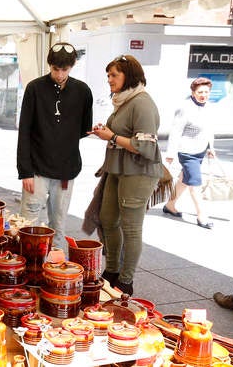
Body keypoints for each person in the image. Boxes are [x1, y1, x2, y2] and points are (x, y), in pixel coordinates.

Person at [88, 54, 162, 296]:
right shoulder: (123, 101)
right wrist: (106, 132)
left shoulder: (142, 103)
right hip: (118, 170)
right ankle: (111, 271)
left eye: (114, 75)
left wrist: (111, 136)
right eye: (108, 75)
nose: (109, 80)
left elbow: (146, 147)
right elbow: (121, 135)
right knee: (108, 219)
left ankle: (126, 280)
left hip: (137, 172)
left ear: (128, 76)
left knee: (131, 228)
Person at [16, 42, 93, 253]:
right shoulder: (34, 88)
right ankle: (26, 270)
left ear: (72, 66)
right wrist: (25, 172)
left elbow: (84, 129)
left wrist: (61, 138)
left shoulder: (83, 91)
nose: (59, 74)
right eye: (55, 69)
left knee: (58, 225)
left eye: (64, 69)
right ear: (49, 65)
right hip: (36, 169)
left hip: (66, 171)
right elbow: (24, 131)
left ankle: (55, 272)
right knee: (28, 224)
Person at [162, 77, 216, 229]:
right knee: (195, 184)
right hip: (187, 151)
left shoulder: (210, 107)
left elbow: (209, 128)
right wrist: (171, 154)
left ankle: (170, 205)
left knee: (184, 179)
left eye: (206, 92)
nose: (203, 95)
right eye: (200, 92)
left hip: (200, 150)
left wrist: (211, 147)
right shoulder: (185, 107)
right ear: (193, 92)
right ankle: (202, 216)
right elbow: (176, 132)